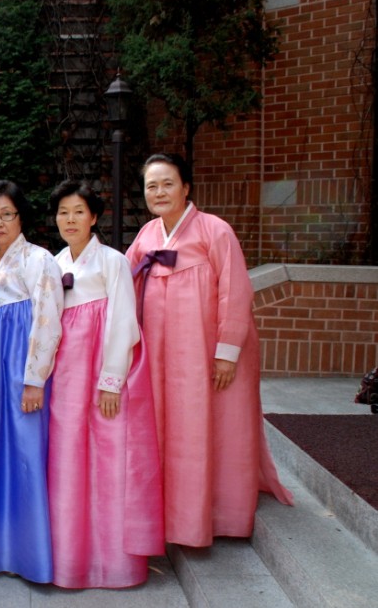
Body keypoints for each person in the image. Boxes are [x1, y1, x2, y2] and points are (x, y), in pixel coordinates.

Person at [125, 153, 293, 547]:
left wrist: (226, 353)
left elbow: (236, 292)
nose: (159, 192)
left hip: (204, 354)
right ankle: (168, 511)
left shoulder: (215, 230)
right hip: (159, 355)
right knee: (167, 428)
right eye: (152, 186)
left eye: (168, 183)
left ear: (186, 188)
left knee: (211, 427)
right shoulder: (146, 235)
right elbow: (123, 286)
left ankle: (217, 513)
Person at [47, 180, 164, 588]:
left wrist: (111, 381)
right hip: (64, 378)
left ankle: (113, 564)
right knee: (67, 461)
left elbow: (123, 322)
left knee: (108, 461)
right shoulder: (53, 263)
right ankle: (69, 560)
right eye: (63, 212)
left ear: (94, 217)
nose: (70, 219)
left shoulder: (112, 262)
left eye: (79, 211)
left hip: (99, 373)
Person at [0, 180, 63, 583]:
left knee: (25, 453)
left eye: (7, 214)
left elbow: (48, 320)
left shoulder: (39, 259)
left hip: (22, 371)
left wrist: (35, 379)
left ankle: (30, 556)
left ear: (21, 217)